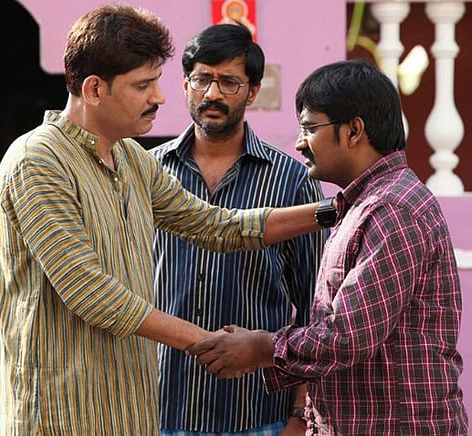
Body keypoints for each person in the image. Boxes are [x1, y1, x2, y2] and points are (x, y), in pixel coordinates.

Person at [0, 4, 327, 435]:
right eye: (143, 85)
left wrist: (335, 209)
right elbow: (93, 293)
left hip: (130, 413)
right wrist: (210, 344)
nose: (159, 97)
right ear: (94, 89)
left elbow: (217, 225)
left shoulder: (132, 159)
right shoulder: (37, 161)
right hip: (60, 416)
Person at [188, 59, 469, 435]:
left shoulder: (392, 208)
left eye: (310, 128)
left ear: (354, 130)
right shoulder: (362, 205)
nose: (300, 143)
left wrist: (262, 347)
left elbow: (347, 335)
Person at [151, 24, 325, 436]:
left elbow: (315, 304)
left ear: (252, 91)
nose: (212, 93)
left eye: (229, 82)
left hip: (257, 413)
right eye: (202, 79)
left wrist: (300, 414)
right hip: (158, 407)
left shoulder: (291, 181)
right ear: (185, 84)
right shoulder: (147, 172)